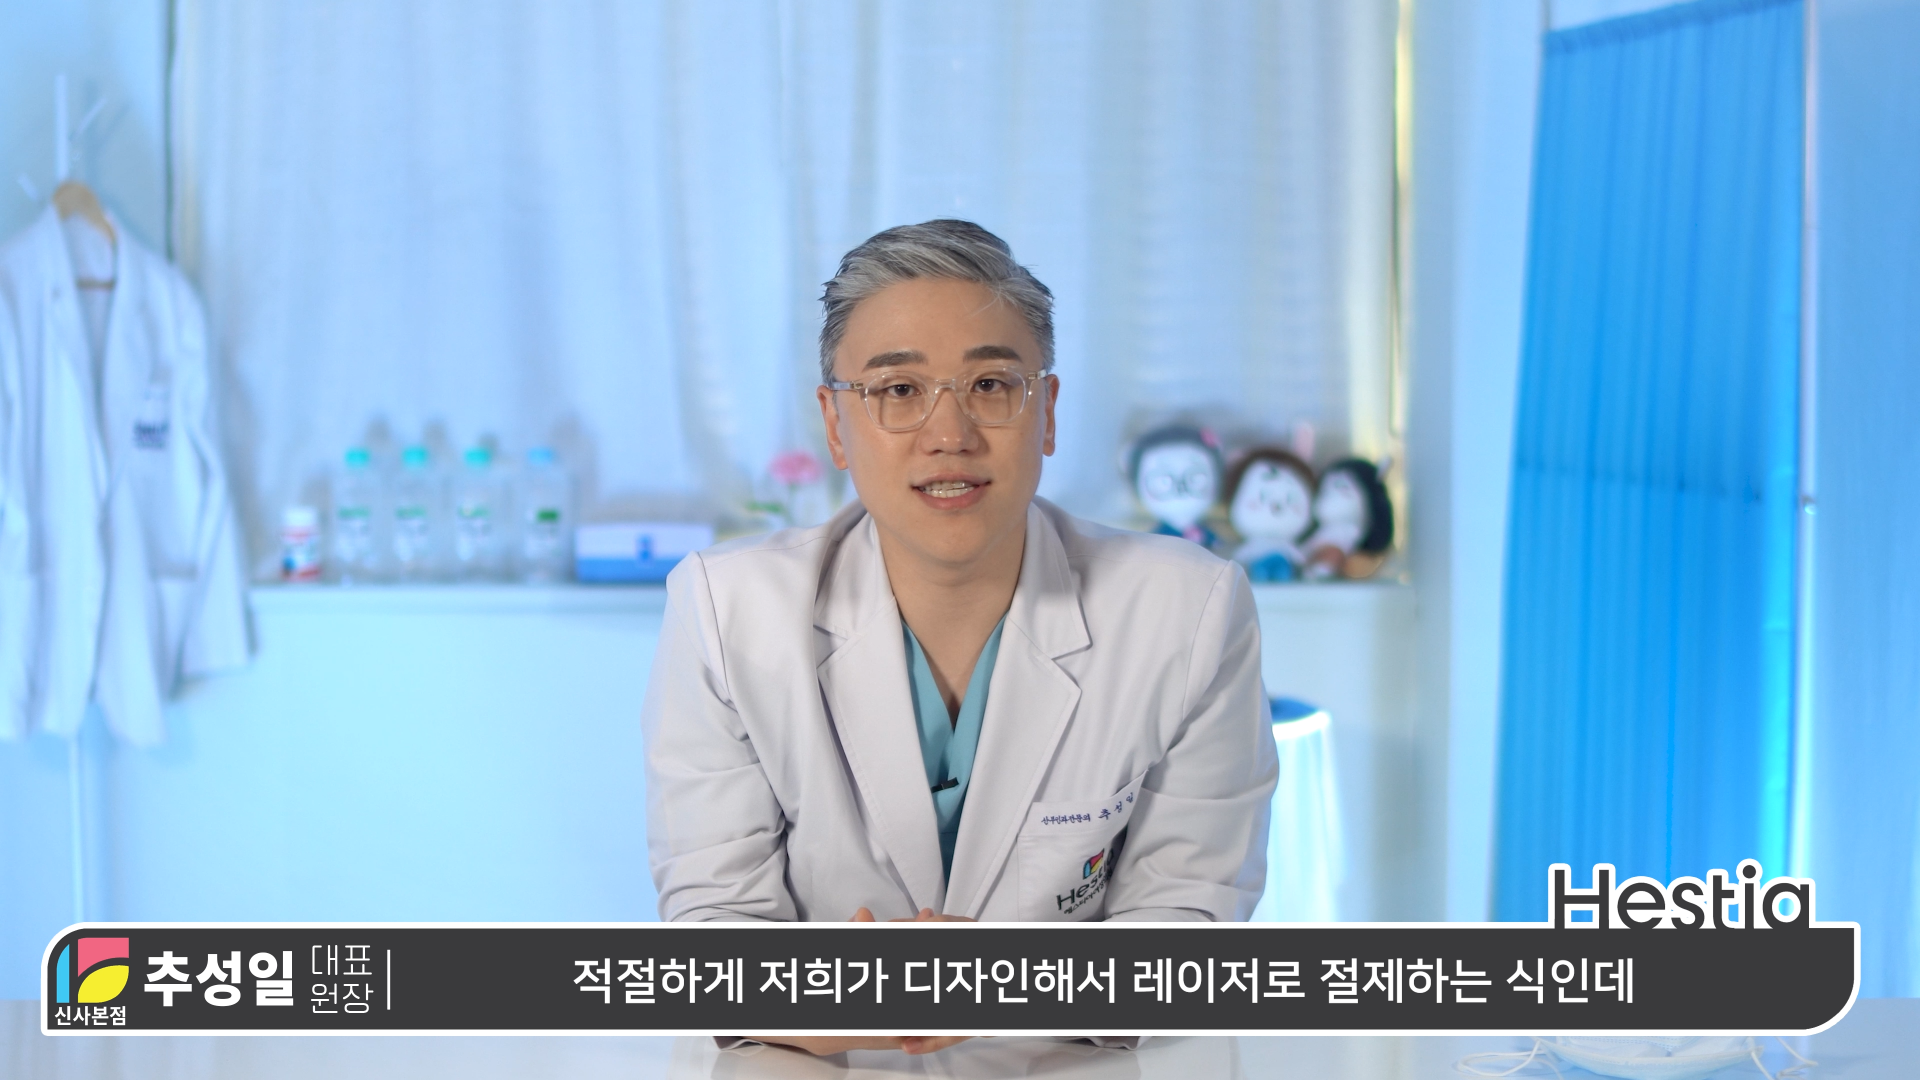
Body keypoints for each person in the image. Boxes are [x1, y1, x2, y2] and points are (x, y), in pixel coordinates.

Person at [641, 220, 1278, 1056]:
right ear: (835, 424)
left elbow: (1192, 931)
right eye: (899, 390)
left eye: (990, 384)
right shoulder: (728, 611)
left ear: (1046, 413)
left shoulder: (1186, 611)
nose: (950, 433)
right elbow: (711, 942)